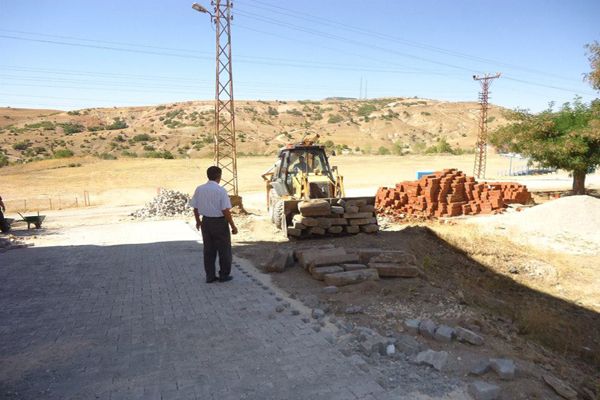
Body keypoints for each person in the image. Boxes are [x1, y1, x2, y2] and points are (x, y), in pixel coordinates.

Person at [190, 166, 238, 283]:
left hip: (206, 222)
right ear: (219, 176)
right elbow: (225, 210)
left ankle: (210, 276)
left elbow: (195, 208)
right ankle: (224, 275)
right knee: (224, 250)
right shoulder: (221, 190)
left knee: (208, 251)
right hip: (220, 223)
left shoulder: (199, 189)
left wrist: (198, 221)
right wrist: (232, 225)